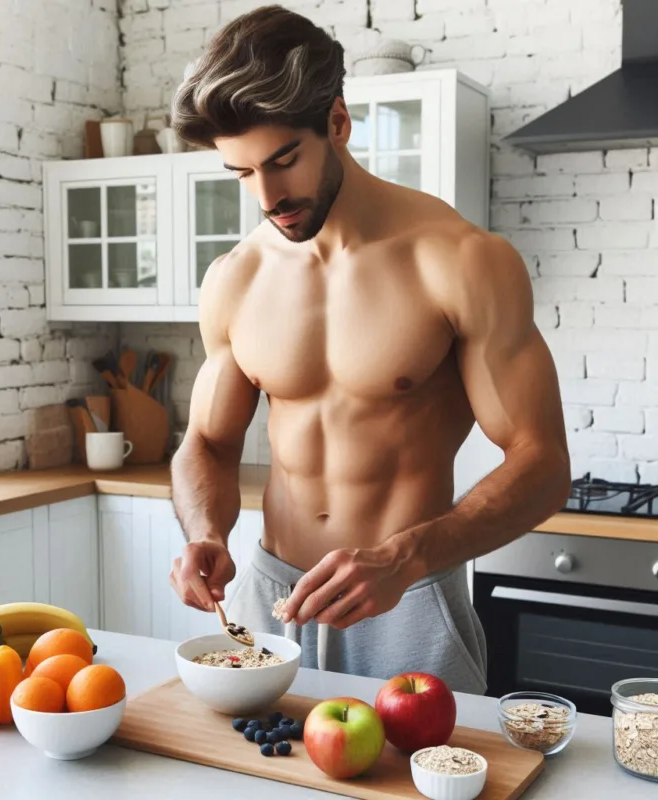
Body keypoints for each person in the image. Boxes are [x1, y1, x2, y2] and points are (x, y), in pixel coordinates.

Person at [167, 5, 570, 693]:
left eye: (283, 161)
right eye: (242, 175)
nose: (268, 197)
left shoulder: (460, 262)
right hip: (272, 598)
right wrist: (206, 530)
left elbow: (543, 464)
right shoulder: (236, 279)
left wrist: (406, 557)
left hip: (407, 602)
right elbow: (208, 440)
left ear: (338, 123)